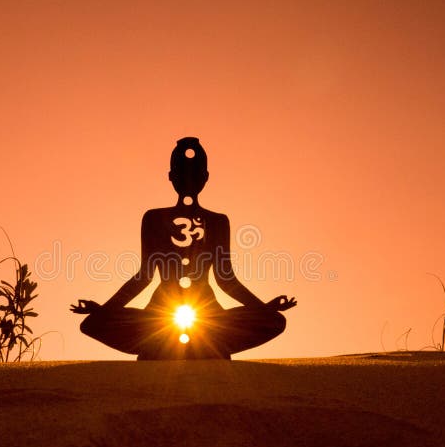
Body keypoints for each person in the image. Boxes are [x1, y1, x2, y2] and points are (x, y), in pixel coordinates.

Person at [71, 137, 295, 359]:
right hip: (159, 316)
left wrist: (263, 310)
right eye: (182, 174)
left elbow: (227, 281)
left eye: (195, 175)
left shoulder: (217, 222)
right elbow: (144, 277)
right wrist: (103, 311)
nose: (188, 181)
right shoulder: (154, 219)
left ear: (205, 177)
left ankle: (198, 344)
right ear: (171, 176)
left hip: (208, 316)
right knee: (93, 324)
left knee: (274, 321)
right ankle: (168, 344)